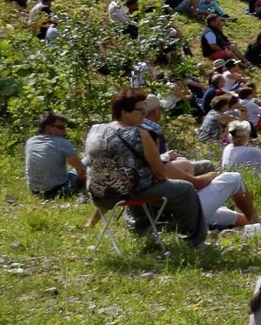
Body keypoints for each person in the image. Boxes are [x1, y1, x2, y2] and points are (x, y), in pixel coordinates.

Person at [83, 90, 207, 242]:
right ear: (124, 112)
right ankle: (194, 240)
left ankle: (143, 229)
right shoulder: (141, 134)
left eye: (145, 110)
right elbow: (160, 173)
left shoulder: (94, 130)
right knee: (185, 189)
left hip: (99, 197)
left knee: (135, 183)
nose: (144, 114)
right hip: (128, 194)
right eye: (140, 110)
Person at [23, 110, 86, 199]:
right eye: (61, 127)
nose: (64, 131)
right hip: (59, 191)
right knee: (88, 160)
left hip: (35, 192)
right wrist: (83, 183)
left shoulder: (31, 141)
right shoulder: (62, 143)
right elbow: (81, 170)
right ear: (48, 128)